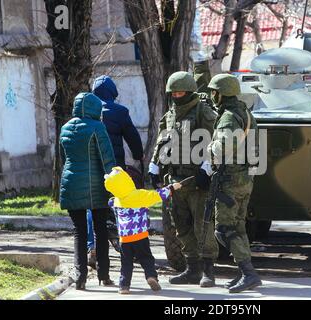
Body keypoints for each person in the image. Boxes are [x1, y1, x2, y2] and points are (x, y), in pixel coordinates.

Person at [148, 71, 219, 287]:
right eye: (174, 92)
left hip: (197, 181)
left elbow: (216, 142)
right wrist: (154, 164)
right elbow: (162, 140)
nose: (177, 95)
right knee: (182, 227)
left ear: (189, 92)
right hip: (175, 181)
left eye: (181, 92)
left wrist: (207, 168)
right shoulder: (170, 114)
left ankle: (208, 271)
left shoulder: (203, 112)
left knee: (202, 227)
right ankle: (192, 269)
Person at [206, 74, 262, 293]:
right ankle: (244, 273)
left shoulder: (229, 117)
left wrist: (208, 150)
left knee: (224, 229)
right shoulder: (245, 113)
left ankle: (249, 274)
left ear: (222, 93)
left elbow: (221, 149)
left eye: (214, 92)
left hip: (230, 180)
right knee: (238, 227)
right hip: (245, 178)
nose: (212, 95)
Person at [59, 92, 116, 290]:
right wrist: (115, 183)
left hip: (71, 184)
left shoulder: (65, 128)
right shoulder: (97, 128)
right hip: (96, 188)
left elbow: (63, 158)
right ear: (95, 108)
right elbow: (106, 158)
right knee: (100, 230)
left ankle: (80, 277)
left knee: (79, 232)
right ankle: (104, 275)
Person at [88, 75, 145, 265]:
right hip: (115, 171)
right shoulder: (120, 112)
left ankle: (92, 246)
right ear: (113, 93)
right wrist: (138, 156)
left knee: (92, 206)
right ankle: (125, 245)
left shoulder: (88, 112)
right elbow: (133, 137)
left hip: (92, 169)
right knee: (121, 204)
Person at [104, 166, 182, 294]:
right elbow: (157, 195)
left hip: (124, 239)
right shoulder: (139, 195)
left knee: (126, 263)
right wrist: (172, 187)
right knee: (146, 258)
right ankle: (151, 276)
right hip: (140, 236)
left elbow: (110, 203)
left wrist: (112, 199)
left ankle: (124, 286)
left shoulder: (117, 201)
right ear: (127, 181)